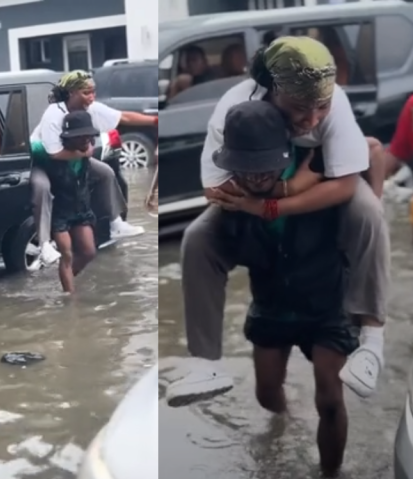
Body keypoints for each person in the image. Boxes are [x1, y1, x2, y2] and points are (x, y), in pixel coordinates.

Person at [166, 36, 390, 406]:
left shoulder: (334, 107)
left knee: (369, 212)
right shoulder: (234, 113)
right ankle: (204, 363)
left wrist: (278, 200)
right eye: (301, 107)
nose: (313, 118)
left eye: (322, 106)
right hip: (272, 202)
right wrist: (261, 190)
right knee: (197, 239)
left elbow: (346, 184)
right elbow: (216, 190)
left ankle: (373, 343)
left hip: (316, 196)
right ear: (271, 91)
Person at [213, 100, 356, 477]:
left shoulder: (321, 167)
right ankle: (287, 426)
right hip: (272, 303)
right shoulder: (231, 195)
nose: (255, 178)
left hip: (325, 302)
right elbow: (223, 256)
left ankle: (331, 472)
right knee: (266, 394)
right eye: (245, 169)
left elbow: (369, 157)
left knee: (329, 396)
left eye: (262, 169)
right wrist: (236, 213)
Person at [30, 70, 156, 266]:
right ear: (71, 93)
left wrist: (155, 120)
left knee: (106, 173)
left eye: (93, 92)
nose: (92, 97)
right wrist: (85, 153)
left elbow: (124, 118)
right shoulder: (53, 114)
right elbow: (54, 153)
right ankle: (45, 245)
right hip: (43, 161)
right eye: (86, 93)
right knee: (42, 188)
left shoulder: (92, 108)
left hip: (71, 160)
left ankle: (116, 223)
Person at [31, 111, 98, 293]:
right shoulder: (48, 152)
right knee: (66, 255)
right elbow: (28, 145)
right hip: (59, 212)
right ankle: (70, 299)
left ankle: (63, 281)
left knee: (89, 252)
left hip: (81, 208)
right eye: (81, 137)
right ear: (68, 138)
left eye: (89, 136)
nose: (87, 140)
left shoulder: (87, 146)